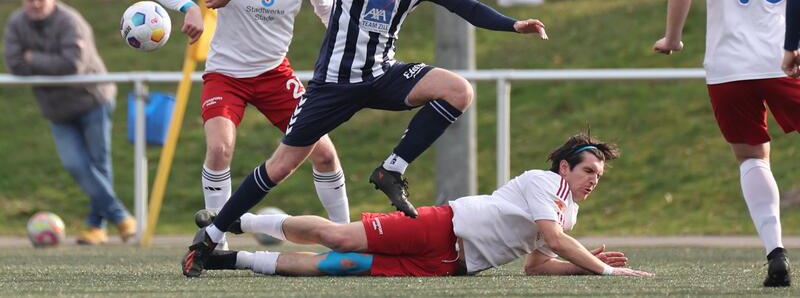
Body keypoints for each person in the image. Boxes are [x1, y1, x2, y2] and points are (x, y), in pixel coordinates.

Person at [181, 0, 549, 278]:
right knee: (280, 166)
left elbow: (468, 8)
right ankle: (210, 238)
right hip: (332, 86)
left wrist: (514, 25)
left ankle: (391, 169)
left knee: (458, 90)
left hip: (381, 76)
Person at [155, 0, 351, 251]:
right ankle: (215, 243)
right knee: (219, 148)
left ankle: (347, 236)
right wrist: (190, 9)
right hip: (225, 75)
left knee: (324, 154)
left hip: (275, 74)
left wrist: (350, 47)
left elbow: (329, 13)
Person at [190, 134, 653, 278]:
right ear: (565, 168)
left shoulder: (567, 212)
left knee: (340, 265)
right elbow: (553, 239)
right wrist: (603, 270)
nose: (594, 180)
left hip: (452, 265)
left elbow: (536, 264)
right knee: (337, 235)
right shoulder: (541, 183)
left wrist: (583, 267)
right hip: (444, 227)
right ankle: (232, 218)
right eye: (589, 170)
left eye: (599, 175)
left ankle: (229, 260)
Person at [653, 0, 797, 287]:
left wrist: (673, 37)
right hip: (785, 59)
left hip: (729, 67)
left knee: (753, 157)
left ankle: (775, 251)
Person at [2, 0, 136, 245]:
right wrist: (36, 61)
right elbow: (14, 64)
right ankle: (121, 216)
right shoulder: (16, 23)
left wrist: (33, 58)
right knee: (75, 165)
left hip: (92, 99)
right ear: (23, 1)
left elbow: (72, 65)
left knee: (99, 164)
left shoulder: (70, 20)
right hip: (57, 109)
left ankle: (96, 227)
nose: (36, 4)